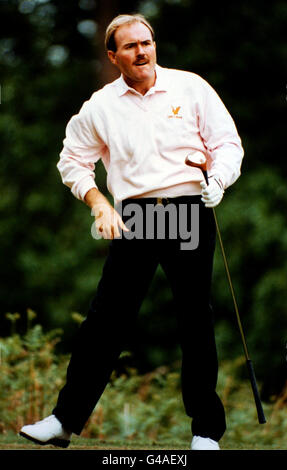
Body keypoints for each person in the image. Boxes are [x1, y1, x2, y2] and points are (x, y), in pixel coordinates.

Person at [19, 13, 244, 450]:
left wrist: (218, 180)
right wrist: (98, 202)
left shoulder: (190, 86)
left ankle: (205, 433)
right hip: (135, 216)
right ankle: (64, 421)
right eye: (130, 46)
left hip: (187, 209)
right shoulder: (101, 105)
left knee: (194, 318)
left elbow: (227, 143)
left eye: (148, 42)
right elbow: (72, 161)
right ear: (113, 55)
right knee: (105, 320)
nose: (142, 51)